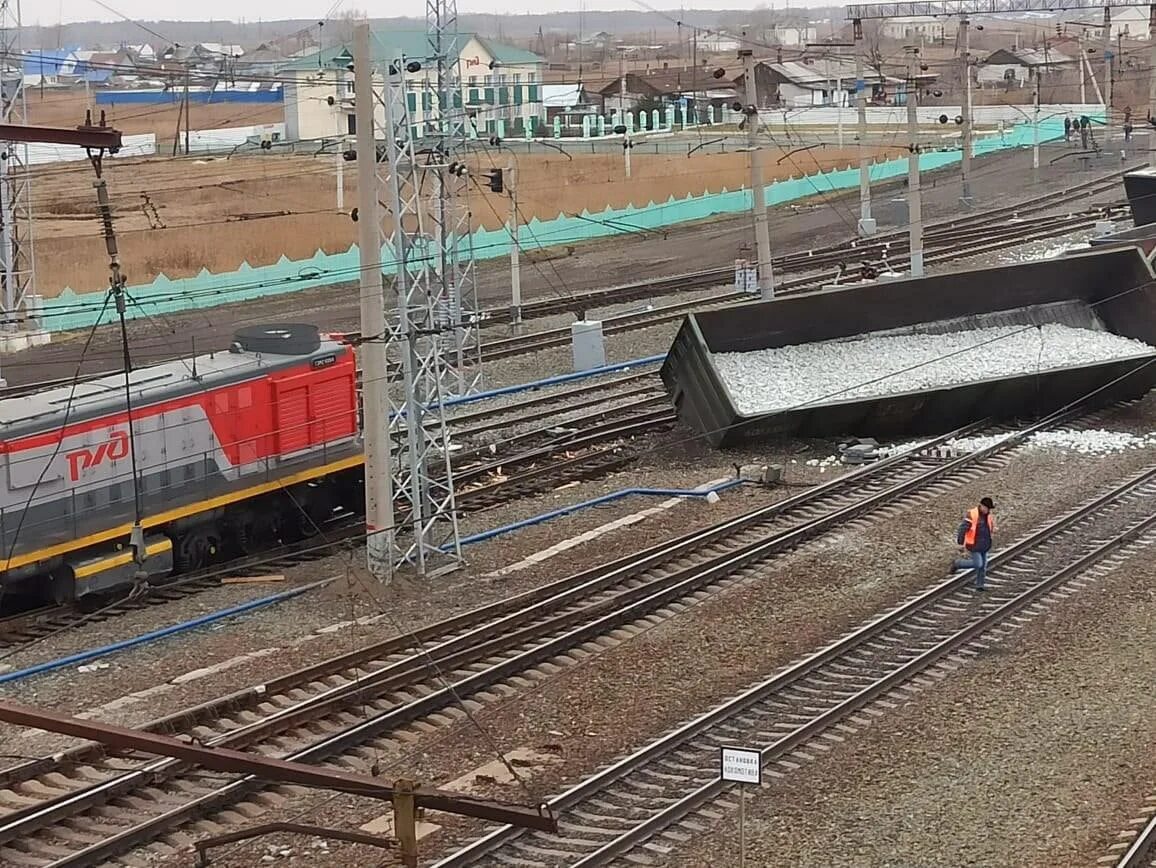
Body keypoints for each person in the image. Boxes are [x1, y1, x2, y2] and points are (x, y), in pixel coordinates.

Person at [956, 497, 997, 591]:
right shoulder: (972, 515)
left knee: (983, 566)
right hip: (974, 545)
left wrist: (993, 530)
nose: (988, 510)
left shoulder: (988, 515)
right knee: (978, 564)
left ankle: (980, 585)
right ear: (982, 506)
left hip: (985, 545)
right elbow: (962, 529)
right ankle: (958, 564)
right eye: (987, 508)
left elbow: (989, 527)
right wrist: (960, 542)